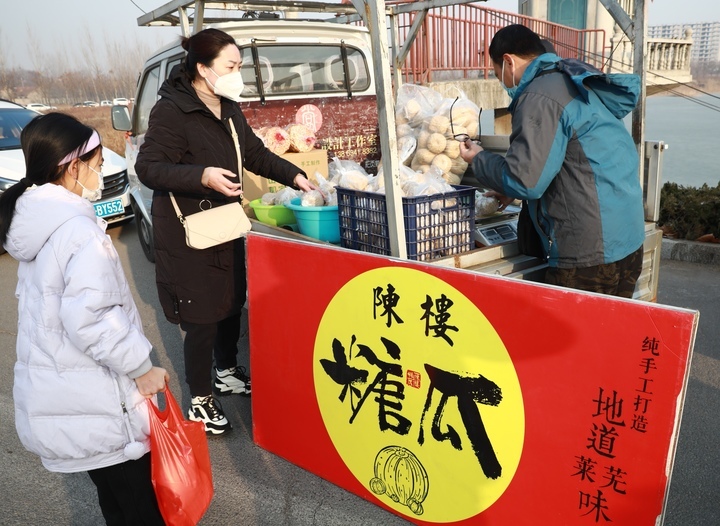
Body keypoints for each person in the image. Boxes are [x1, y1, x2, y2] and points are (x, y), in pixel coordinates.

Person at [135, 28, 316, 435]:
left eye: (238, 66)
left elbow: (253, 153)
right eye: (231, 66)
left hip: (226, 222)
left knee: (231, 302)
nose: (238, 74)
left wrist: (296, 176)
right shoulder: (172, 111)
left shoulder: (228, 105)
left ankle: (227, 370)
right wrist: (202, 175)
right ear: (203, 68)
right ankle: (199, 399)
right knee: (202, 316)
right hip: (190, 231)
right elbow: (147, 168)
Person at [0, 112, 169, 525]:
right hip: (100, 404)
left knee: (115, 504)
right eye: (95, 164)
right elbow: (91, 319)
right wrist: (142, 368)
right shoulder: (78, 232)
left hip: (69, 400)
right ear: (72, 167)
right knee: (141, 509)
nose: (100, 172)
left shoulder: (35, 223)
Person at [461, 24, 645, 298]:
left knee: (571, 338)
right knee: (608, 336)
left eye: (497, 72)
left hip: (589, 254)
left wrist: (478, 158)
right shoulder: (572, 79)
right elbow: (568, 161)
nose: (501, 80)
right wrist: (510, 189)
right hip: (628, 240)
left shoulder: (538, 96)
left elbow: (526, 181)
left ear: (509, 61)